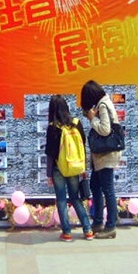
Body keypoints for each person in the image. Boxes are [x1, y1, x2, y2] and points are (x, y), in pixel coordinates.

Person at [45, 95, 93, 242]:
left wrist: (49, 174)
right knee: (75, 198)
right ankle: (88, 230)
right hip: (75, 166)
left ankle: (66, 232)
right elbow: (82, 147)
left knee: (61, 200)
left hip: (58, 168)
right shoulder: (76, 123)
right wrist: (83, 167)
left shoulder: (53, 127)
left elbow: (50, 153)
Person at [80, 80, 121, 239]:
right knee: (95, 186)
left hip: (106, 155)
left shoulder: (103, 105)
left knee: (108, 190)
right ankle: (98, 222)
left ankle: (110, 226)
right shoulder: (104, 103)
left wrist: (92, 118)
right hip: (101, 156)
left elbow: (105, 130)